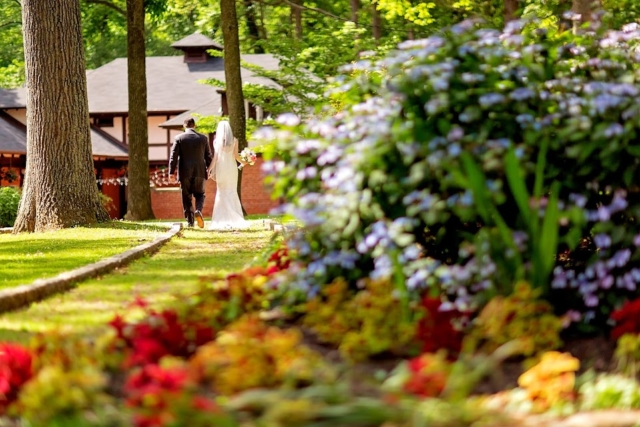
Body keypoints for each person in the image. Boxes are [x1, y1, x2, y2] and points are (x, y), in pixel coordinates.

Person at [168, 117, 213, 228]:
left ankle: (190, 222)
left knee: (186, 197)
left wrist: (171, 172)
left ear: (184, 126)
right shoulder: (203, 138)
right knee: (200, 194)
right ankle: (198, 210)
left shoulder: (178, 138)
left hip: (185, 172)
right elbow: (208, 156)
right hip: (200, 172)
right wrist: (210, 169)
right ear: (194, 126)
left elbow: (173, 156)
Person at [207, 121, 249, 230]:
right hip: (231, 169)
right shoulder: (235, 141)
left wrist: (209, 170)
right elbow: (235, 156)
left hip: (222, 169)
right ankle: (234, 216)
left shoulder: (216, 142)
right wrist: (243, 162)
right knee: (231, 191)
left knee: (221, 192)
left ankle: (222, 218)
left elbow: (215, 158)